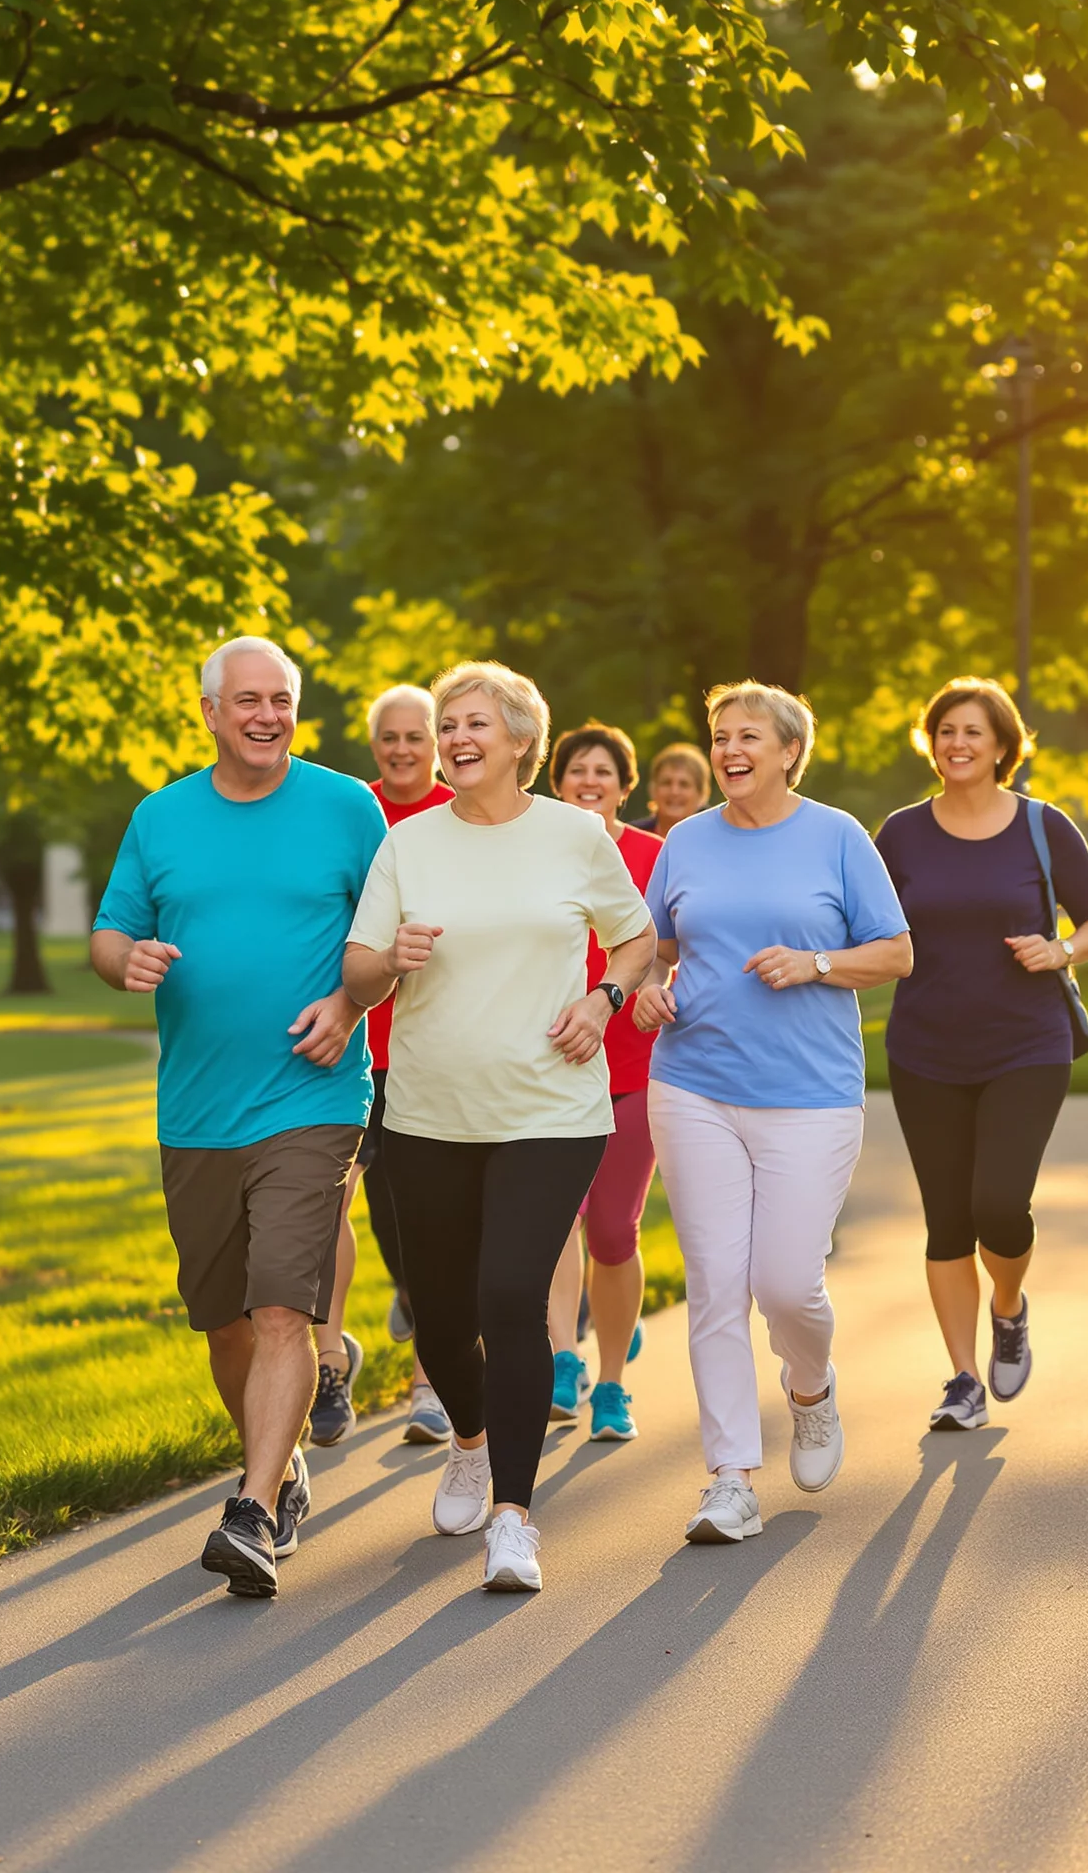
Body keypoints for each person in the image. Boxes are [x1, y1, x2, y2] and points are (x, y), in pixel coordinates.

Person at [344, 661, 656, 1592]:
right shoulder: (408, 844)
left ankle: (513, 1519)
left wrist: (603, 1001)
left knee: (510, 1295)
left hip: (551, 1110)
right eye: (448, 724)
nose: (455, 737)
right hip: (429, 1114)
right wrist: (387, 961)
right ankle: (470, 1442)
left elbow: (636, 937)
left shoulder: (575, 835)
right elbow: (358, 971)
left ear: (522, 739)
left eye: (474, 722)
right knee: (441, 1315)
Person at [91, 637, 386, 1600]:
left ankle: (253, 1511)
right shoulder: (161, 816)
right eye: (249, 701)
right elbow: (109, 930)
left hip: (313, 1096)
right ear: (211, 713)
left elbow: (386, 940)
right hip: (197, 1109)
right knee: (223, 1322)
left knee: (279, 1309)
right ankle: (281, 1464)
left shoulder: (348, 807)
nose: (267, 716)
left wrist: (349, 1006)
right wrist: (125, 961)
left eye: (282, 700)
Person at [635, 682, 910, 1545]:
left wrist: (816, 963)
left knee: (787, 1284)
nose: (729, 750)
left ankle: (811, 1388)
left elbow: (896, 953)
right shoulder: (687, 841)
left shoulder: (838, 836)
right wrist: (647, 990)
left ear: (791, 751)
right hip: (694, 1084)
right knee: (716, 1285)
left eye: (749, 736)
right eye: (720, 736)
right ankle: (730, 1479)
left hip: (811, 1094)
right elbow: (656, 949)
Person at [875, 678, 1088, 1431]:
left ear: (1003, 744)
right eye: (946, 730)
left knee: (999, 1205)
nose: (957, 743)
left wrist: (1061, 949)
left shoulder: (1043, 827)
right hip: (924, 1048)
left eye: (973, 731)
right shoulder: (902, 834)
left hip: (1027, 1044)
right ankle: (963, 1381)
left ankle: (1008, 1306)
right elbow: (867, 926)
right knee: (947, 1220)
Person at [307, 683, 454, 1449]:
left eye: (414, 736)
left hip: (433, 1049)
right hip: (354, 1045)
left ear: (436, 744)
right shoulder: (348, 813)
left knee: (423, 1219)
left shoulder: (461, 814)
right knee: (326, 1205)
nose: (401, 749)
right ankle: (331, 1364)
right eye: (389, 737)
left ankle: (431, 1384)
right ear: (375, 745)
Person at [543, 722, 662, 1444]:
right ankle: (564, 1360)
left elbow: (677, 945)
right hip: (554, 1064)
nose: (589, 782)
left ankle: (613, 1383)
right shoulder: (535, 850)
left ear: (624, 786)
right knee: (558, 1216)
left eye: (603, 772)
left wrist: (661, 987)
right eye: (576, 771)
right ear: (557, 784)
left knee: (615, 1232)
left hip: (633, 1068)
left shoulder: (653, 854)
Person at [632, 742, 712, 838]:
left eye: (684, 784)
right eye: (666, 783)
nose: (674, 791)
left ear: (702, 794)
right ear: (652, 789)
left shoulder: (716, 839)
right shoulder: (632, 837)